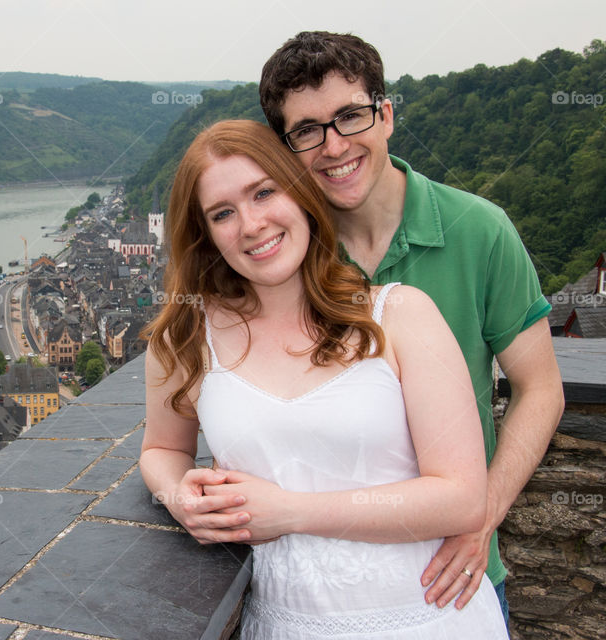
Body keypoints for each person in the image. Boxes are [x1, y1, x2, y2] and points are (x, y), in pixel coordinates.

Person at [140, 119, 508, 638]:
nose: (251, 224)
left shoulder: (401, 315)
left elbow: (462, 498)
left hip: (427, 616)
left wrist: (290, 513)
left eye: (264, 192)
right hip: (284, 623)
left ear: (301, 192)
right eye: (223, 213)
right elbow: (161, 449)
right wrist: (179, 497)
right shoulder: (183, 338)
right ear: (203, 235)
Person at [257, 32, 564, 622]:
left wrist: (482, 514)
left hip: (453, 577)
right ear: (285, 149)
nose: (334, 145)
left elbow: (540, 387)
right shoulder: (282, 255)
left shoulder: (480, 230)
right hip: (323, 593)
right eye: (307, 130)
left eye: (351, 116)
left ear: (386, 114)